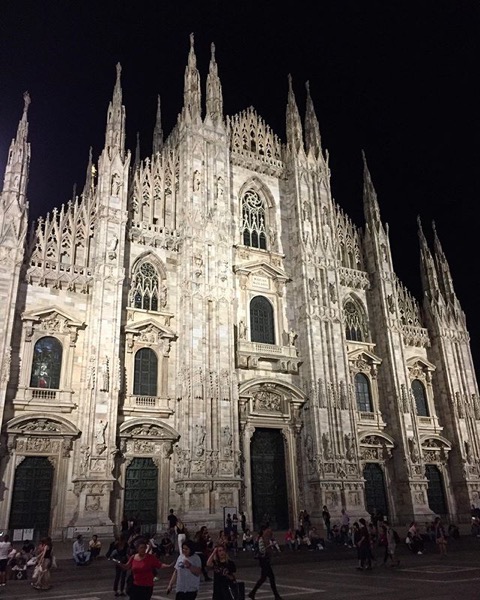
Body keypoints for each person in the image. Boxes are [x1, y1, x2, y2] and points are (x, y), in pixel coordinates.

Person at [248, 527, 283, 600]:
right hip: (263, 560)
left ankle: (252, 593)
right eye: (268, 531)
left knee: (263, 578)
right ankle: (276, 596)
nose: (269, 532)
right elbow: (262, 550)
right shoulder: (261, 539)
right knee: (271, 577)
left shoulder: (267, 538)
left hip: (265, 560)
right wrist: (269, 546)